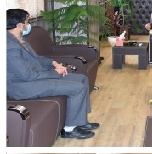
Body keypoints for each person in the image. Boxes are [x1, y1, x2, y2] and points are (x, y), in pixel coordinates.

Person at [6, 8, 99, 140]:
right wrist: (54, 73)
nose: (29, 25)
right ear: (19, 25)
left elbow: (37, 59)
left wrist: (53, 63)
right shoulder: (9, 46)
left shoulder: (20, 39)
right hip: (23, 86)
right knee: (77, 88)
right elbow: (27, 75)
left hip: (35, 78)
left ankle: (80, 122)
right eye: (27, 22)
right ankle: (69, 129)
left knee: (82, 79)